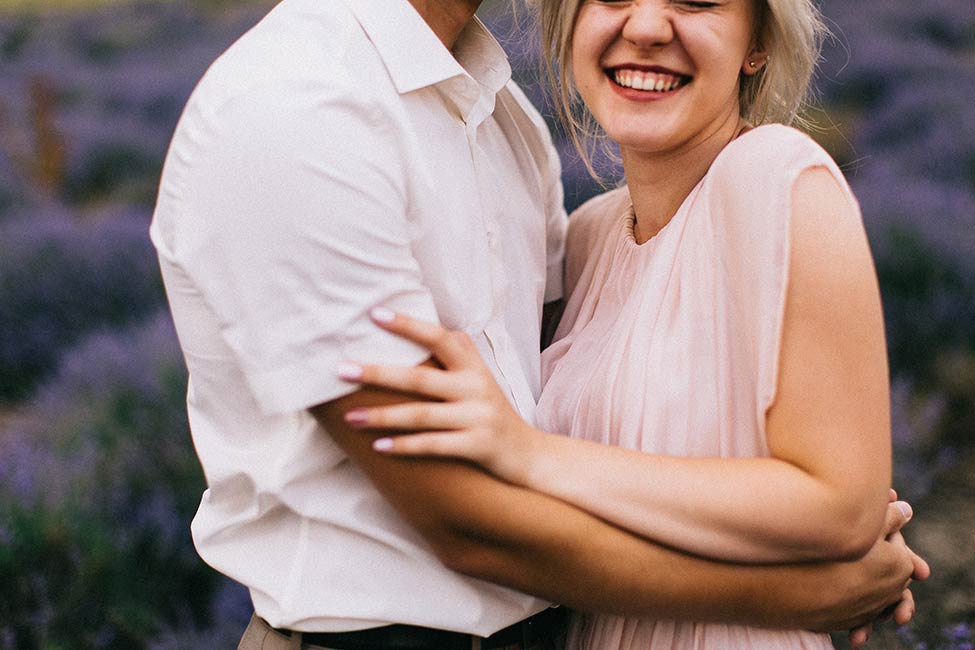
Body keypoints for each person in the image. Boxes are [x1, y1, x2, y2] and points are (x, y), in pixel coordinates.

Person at [151, 0, 925, 649]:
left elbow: (819, 492)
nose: (647, 24)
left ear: (757, 40)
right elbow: (465, 518)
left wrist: (824, 513)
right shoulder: (298, 107)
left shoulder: (503, 122)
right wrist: (800, 592)